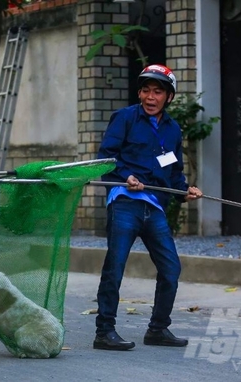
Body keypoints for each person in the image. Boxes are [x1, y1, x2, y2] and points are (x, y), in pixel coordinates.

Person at [93, 64, 203, 351]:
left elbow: (174, 171)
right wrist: (125, 177)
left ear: (169, 97)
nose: (150, 97)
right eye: (146, 90)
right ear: (139, 93)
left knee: (171, 268)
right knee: (115, 267)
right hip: (125, 202)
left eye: (157, 91)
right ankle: (104, 331)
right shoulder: (125, 118)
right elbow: (106, 159)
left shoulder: (173, 128)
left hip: (154, 207)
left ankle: (158, 329)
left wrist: (185, 191)